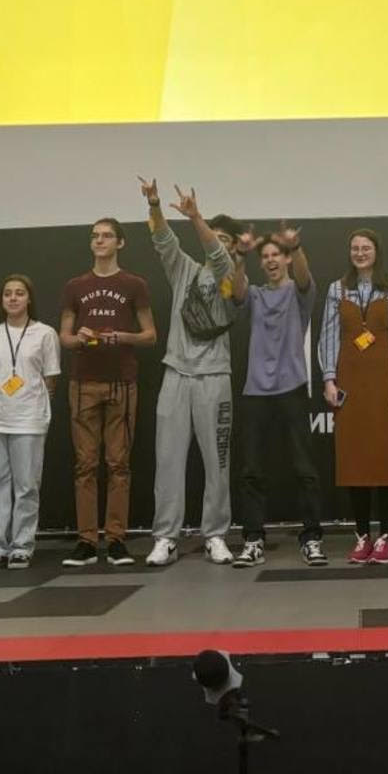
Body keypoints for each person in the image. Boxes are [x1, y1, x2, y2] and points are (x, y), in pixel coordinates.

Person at [141, 178, 248, 568]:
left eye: (224, 239)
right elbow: (164, 241)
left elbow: (217, 255)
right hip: (176, 374)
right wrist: (155, 205)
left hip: (214, 376)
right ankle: (166, 537)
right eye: (213, 235)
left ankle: (215, 534)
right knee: (168, 459)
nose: (216, 243)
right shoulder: (184, 270)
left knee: (217, 461)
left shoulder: (232, 278)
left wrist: (197, 218)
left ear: (232, 247)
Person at [59, 220, 157, 566]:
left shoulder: (134, 284)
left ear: (121, 242)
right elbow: (64, 337)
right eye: (95, 236)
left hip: (122, 382)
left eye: (106, 236)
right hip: (83, 382)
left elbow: (150, 335)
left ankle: (116, 539)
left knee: (119, 463)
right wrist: (78, 338)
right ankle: (87, 541)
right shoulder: (75, 286)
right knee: (85, 464)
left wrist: (122, 337)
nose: (99, 241)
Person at [232, 225, 327, 568]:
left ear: (286, 259)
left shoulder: (300, 294)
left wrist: (296, 245)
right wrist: (240, 255)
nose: (271, 260)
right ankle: (253, 540)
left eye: (277, 255)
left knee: (304, 468)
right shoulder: (256, 294)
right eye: (266, 256)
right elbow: (236, 292)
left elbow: (303, 276)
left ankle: (312, 538)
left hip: (292, 388)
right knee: (251, 470)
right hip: (256, 391)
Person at [319, 229, 388, 564]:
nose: (360, 253)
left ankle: (385, 537)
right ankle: (361, 536)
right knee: (354, 460)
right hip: (349, 384)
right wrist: (329, 379)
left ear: (377, 252)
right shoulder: (336, 289)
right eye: (355, 248)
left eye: (366, 248)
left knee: (384, 459)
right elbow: (329, 336)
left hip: (384, 382)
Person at [0, 274, 61, 568]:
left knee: (27, 486)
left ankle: (22, 546)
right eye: (7, 293)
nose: (13, 298)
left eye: (19, 293)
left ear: (29, 298)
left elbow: (50, 378)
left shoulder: (45, 334)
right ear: (1, 300)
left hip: (29, 420)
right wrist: (1, 399)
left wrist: (28, 402)